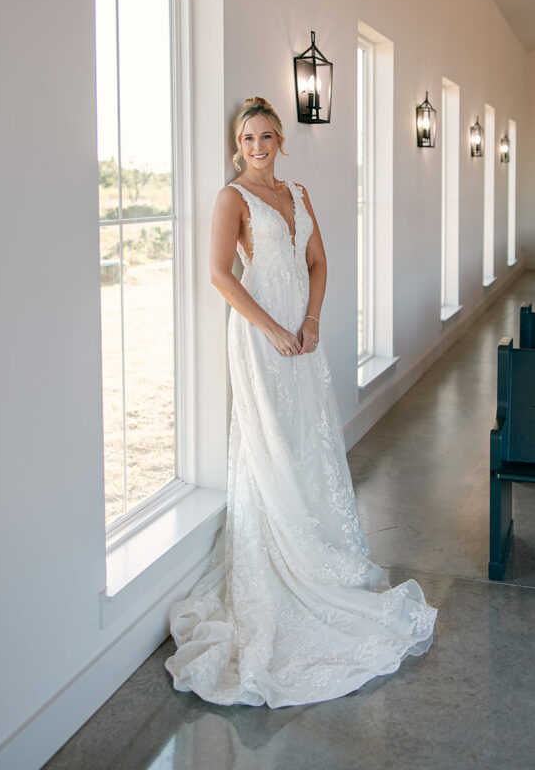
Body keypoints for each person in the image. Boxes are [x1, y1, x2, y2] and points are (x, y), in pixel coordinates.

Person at [164, 97, 436, 707]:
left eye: (266, 136)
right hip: (261, 336)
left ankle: (318, 548)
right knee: (274, 443)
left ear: (280, 140)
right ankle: (284, 560)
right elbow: (219, 274)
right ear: (238, 145)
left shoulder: (301, 193)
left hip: (302, 334)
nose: (257, 146)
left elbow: (318, 261)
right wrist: (272, 329)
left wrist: (310, 321)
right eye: (248, 138)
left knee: (310, 438)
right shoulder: (231, 198)